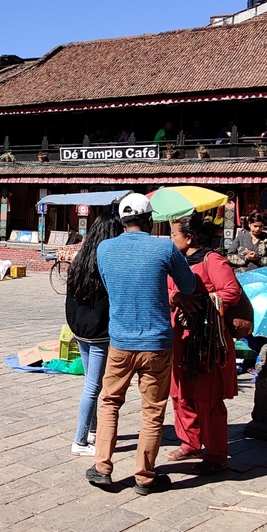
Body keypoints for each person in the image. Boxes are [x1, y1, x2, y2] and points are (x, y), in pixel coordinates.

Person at [85, 193, 199, 496]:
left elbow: (111, 287)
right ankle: (145, 476)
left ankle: (102, 467)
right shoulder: (164, 246)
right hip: (157, 342)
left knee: (109, 402)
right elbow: (189, 285)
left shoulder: (105, 248)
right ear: (150, 219)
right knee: (153, 410)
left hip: (120, 341)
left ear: (123, 220)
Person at [166, 215, 251, 475]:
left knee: (208, 398)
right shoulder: (174, 263)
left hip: (207, 340)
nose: (171, 240)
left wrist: (199, 302)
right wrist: (176, 297)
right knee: (180, 395)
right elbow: (164, 290)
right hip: (180, 338)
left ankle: (216, 455)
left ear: (189, 238)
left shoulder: (212, 260)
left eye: (174, 235)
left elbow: (230, 291)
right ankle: (190, 442)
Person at [65, 213, 121, 456]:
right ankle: (79, 441)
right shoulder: (109, 261)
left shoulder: (80, 260)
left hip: (81, 329)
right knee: (93, 386)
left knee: (91, 382)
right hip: (98, 331)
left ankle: (92, 430)